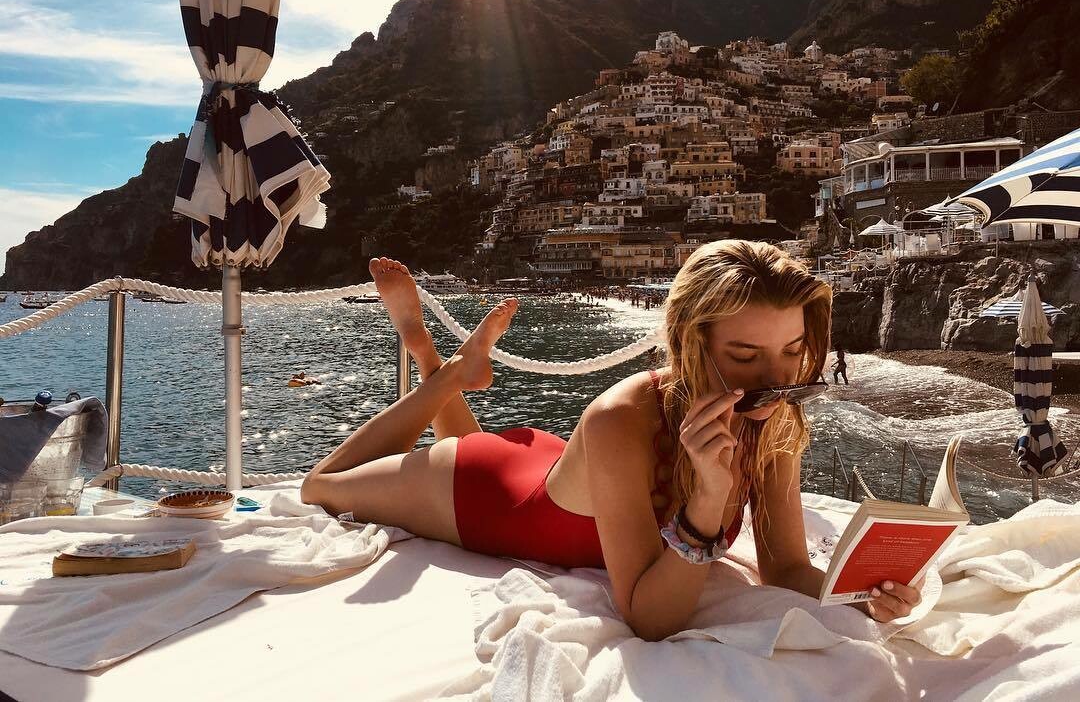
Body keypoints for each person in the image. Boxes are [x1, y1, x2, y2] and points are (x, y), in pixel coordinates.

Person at [301, 244, 921, 641]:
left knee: (461, 440)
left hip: (564, 469)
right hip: (481, 490)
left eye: (792, 351)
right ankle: (437, 363)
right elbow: (649, 619)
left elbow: (784, 567)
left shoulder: (774, 418)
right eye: (744, 354)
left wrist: (862, 597)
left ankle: (444, 366)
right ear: (691, 345)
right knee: (322, 487)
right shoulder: (620, 417)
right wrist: (708, 500)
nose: (776, 378)